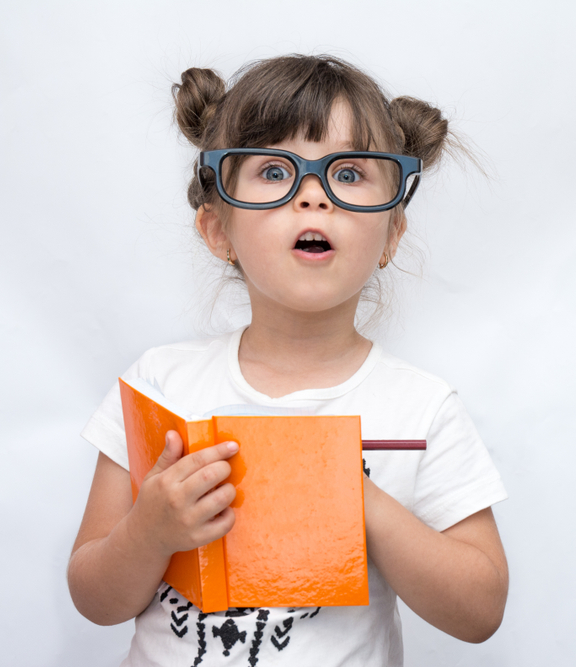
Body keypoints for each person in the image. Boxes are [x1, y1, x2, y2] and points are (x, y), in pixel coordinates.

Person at [67, 54, 508, 667]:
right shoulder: (159, 384)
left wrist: (359, 500)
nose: (312, 197)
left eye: (350, 174)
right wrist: (151, 531)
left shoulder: (421, 410)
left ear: (392, 234)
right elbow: (93, 596)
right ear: (218, 229)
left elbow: (481, 610)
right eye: (275, 170)